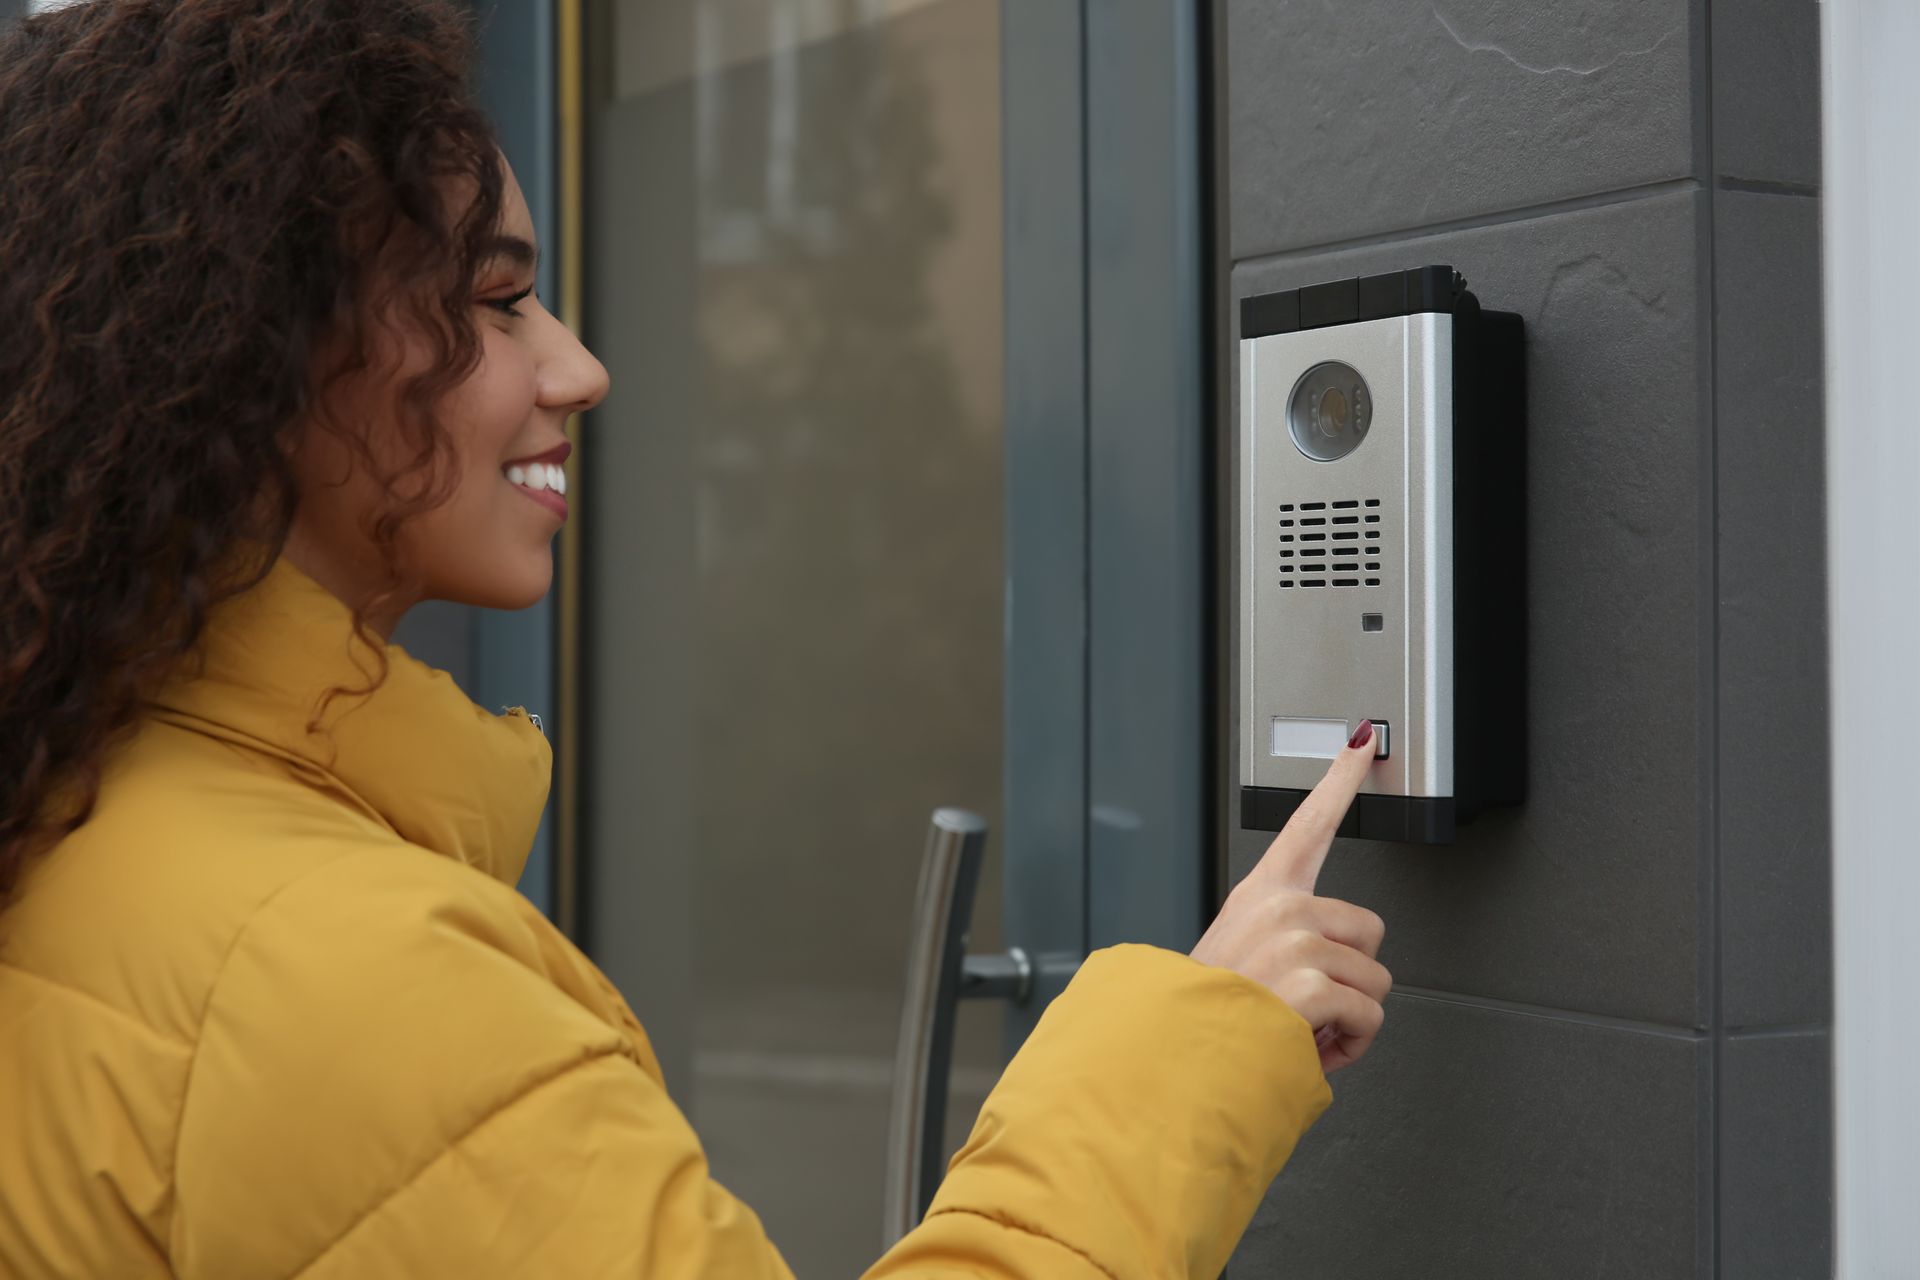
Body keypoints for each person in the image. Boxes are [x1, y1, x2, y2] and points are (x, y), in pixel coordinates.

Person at [0, 2, 1393, 1276]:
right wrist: (1190, 1054)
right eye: (496, 301)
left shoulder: (75, 813)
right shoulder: (351, 982)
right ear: (256, 353)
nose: (579, 367)